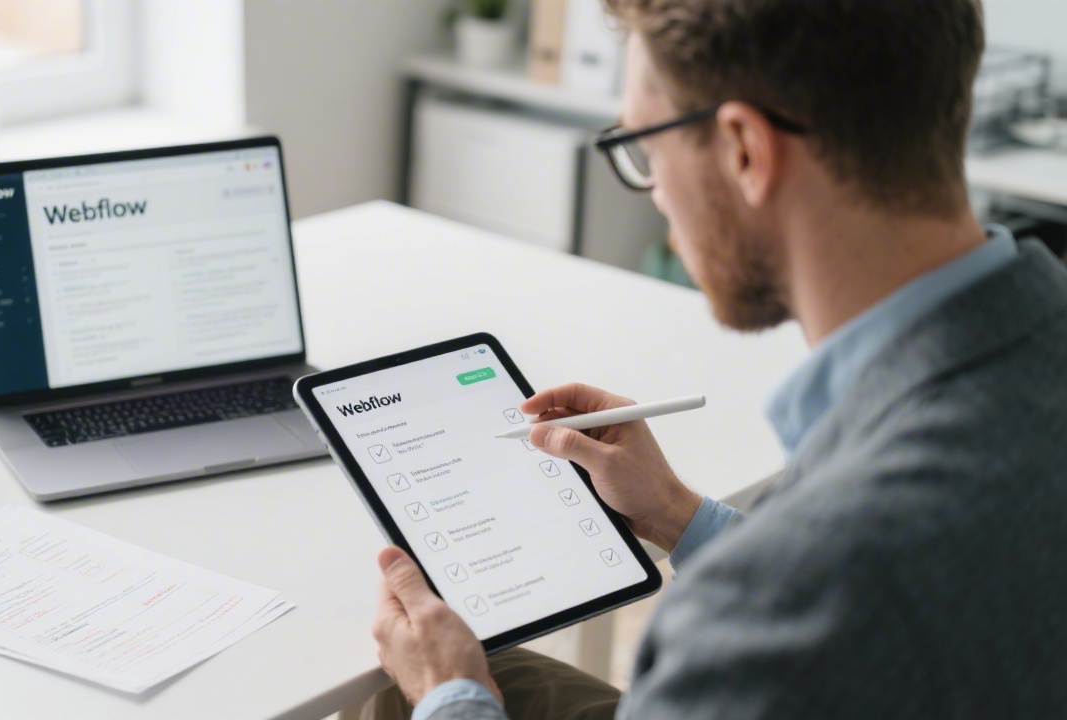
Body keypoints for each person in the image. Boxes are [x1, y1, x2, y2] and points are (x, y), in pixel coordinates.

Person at [362, 0, 1067, 718]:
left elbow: (816, 581)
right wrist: (677, 512)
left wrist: (451, 695)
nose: (656, 191)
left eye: (644, 147)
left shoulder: (779, 600)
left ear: (744, 151)